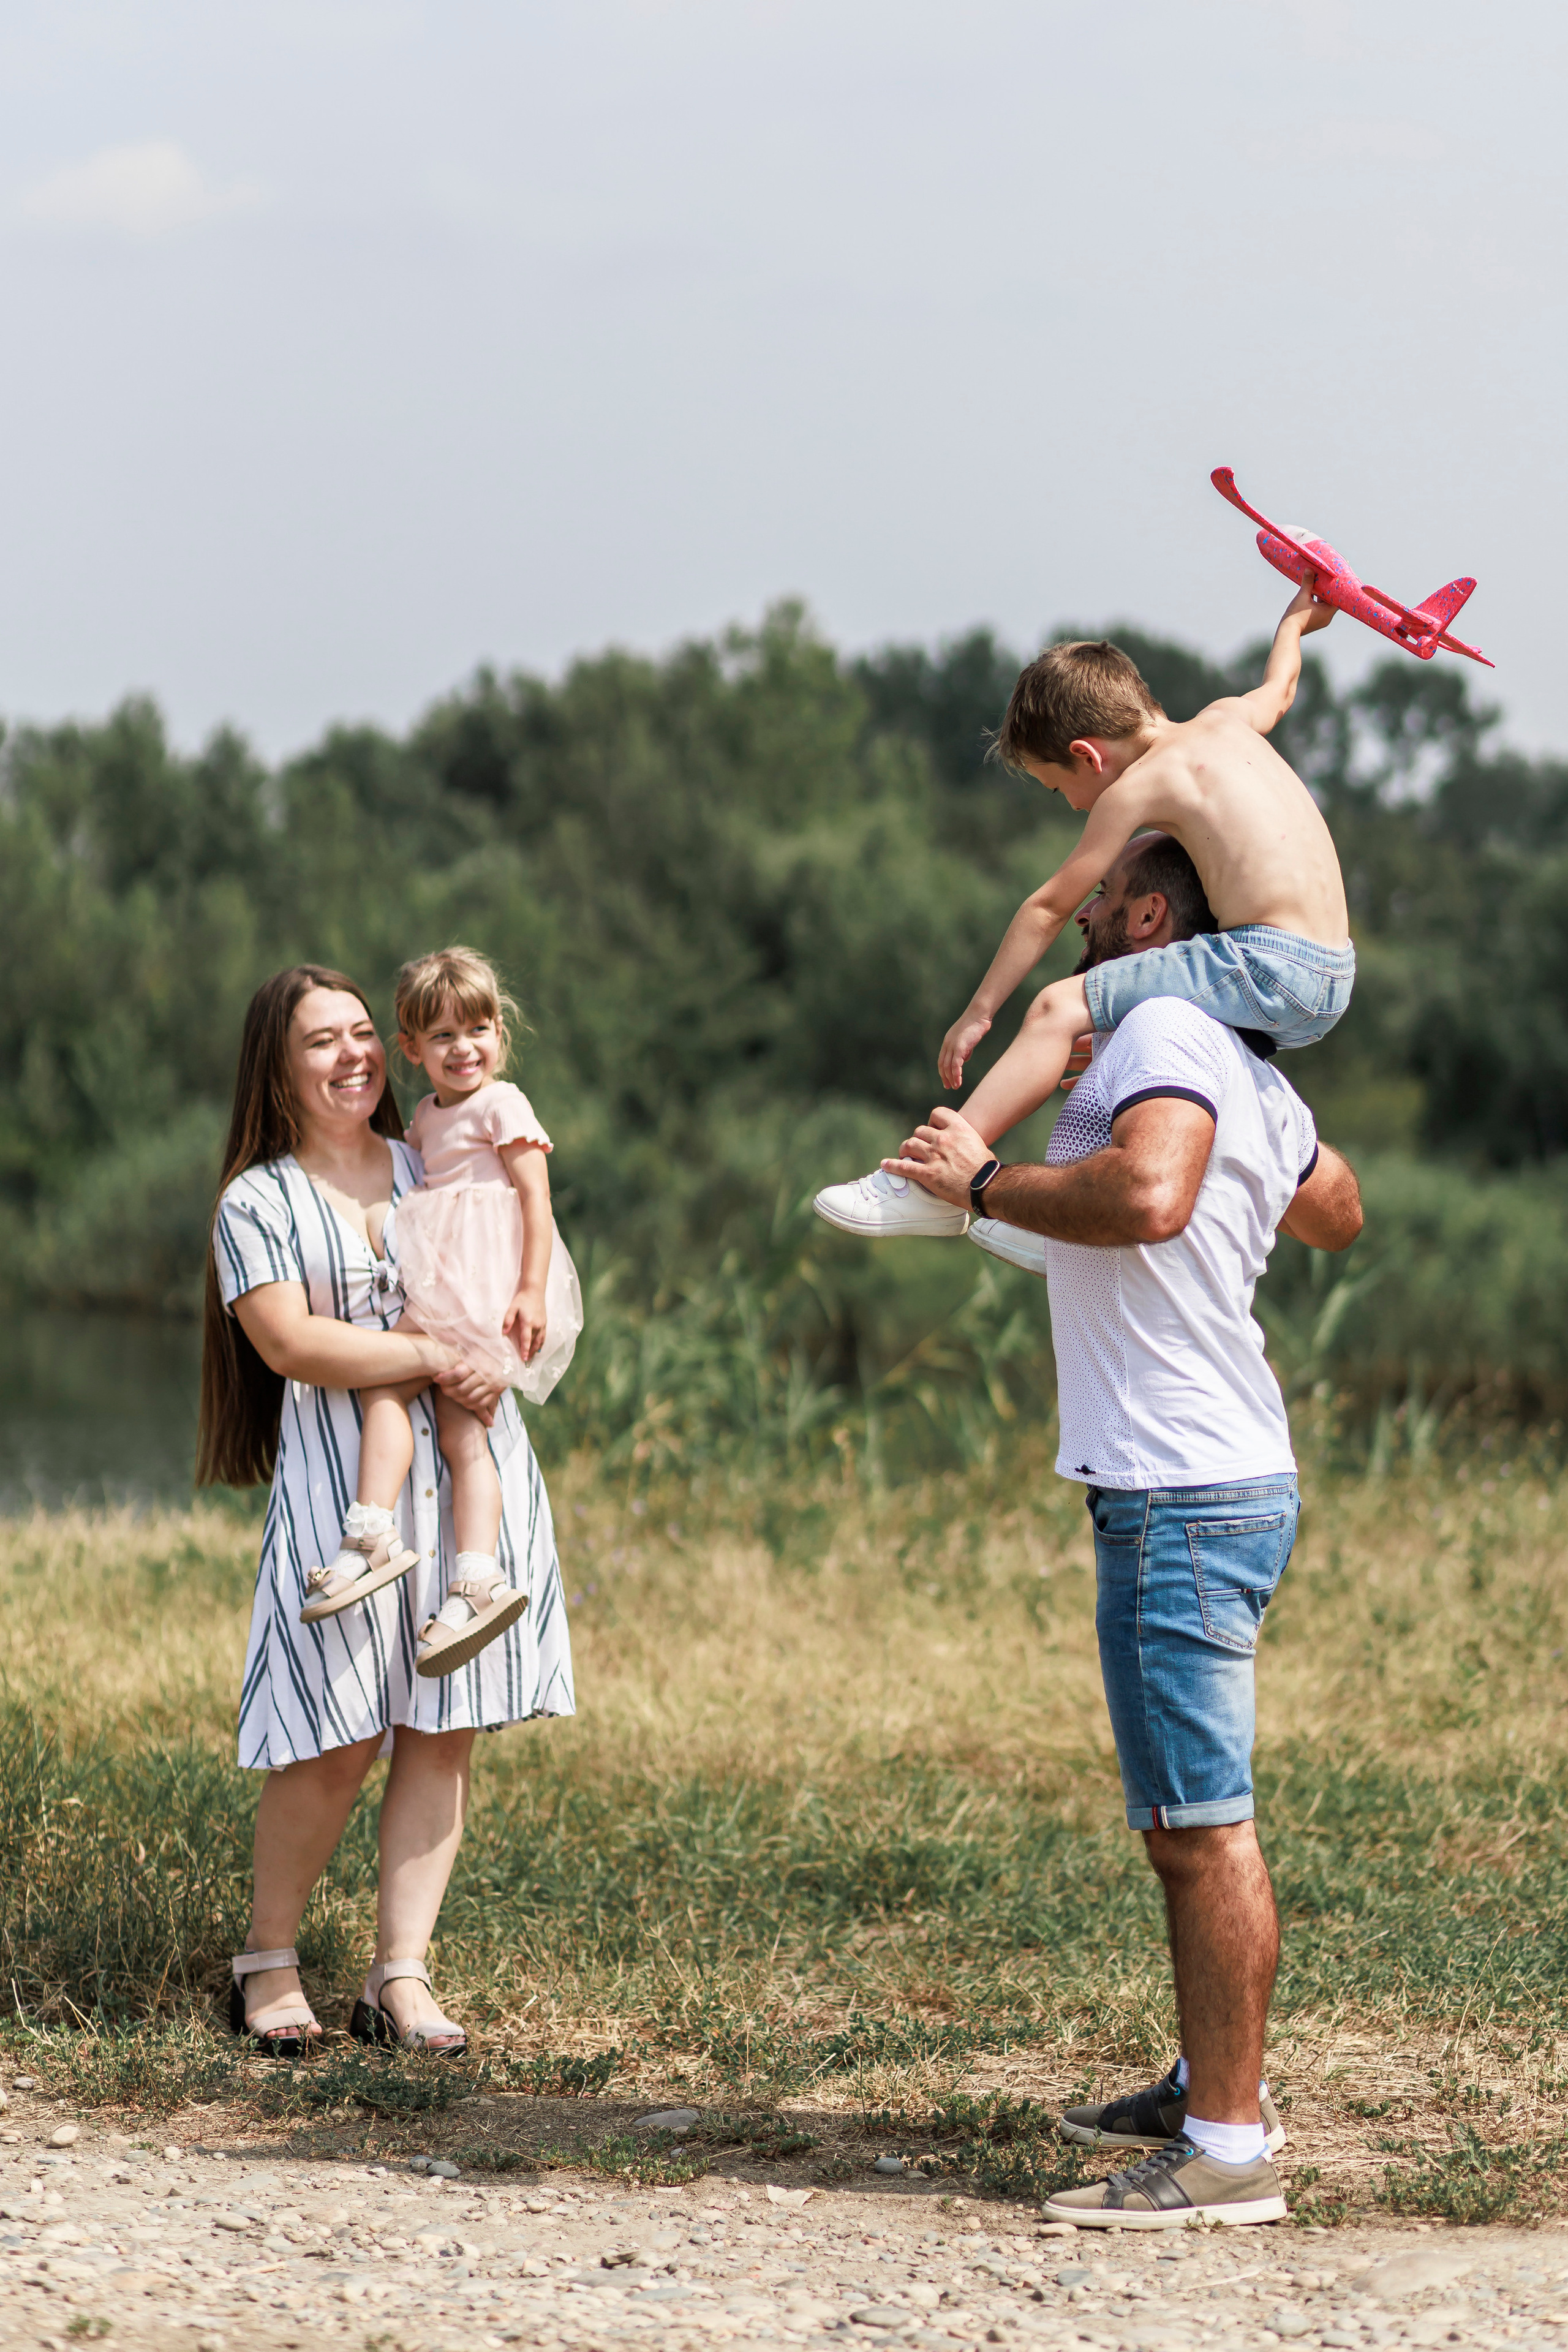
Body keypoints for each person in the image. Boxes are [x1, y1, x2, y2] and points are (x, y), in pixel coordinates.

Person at [884, 835, 1363, 2230]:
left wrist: (980, 1182)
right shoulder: (1230, 1058)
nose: (1077, 917)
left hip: (1177, 1489)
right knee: (1191, 1823)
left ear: (1148, 915)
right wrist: (1244, 1139)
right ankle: (1207, 2083)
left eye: (1094, 899)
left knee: (1199, 1830)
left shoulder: (1156, 1024)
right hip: (1223, 1471)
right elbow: (1336, 1209)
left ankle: (1225, 2149)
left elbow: (1150, 1197)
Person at [197, 964, 574, 2057]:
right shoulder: (258, 1201)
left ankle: (398, 1974)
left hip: (469, 1468)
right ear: (277, 1068)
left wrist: (501, 1352)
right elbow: (291, 1343)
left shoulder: (434, 1153)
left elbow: (522, 1254)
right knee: (337, 1729)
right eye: (323, 1041)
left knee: (444, 1726)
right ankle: (267, 1959)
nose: (354, 1055)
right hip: (343, 1482)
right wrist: (437, 1353)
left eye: (363, 1032)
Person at [812, 589, 1353, 1243]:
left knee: (1055, 1009)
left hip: (1268, 966)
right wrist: (1299, 618)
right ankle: (1065, 1223)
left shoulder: (1139, 784)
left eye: (1058, 787)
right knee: (1098, 1029)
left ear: (1089, 756)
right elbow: (1280, 688)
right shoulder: (1226, 720)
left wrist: (979, 1012)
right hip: (1333, 975)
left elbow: (1048, 906)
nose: (1072, 805)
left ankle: (929, 1187)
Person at [301, 946, 584, 1679]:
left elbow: (536, 1200)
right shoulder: (426, 1117)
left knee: (425, 1412)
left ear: (499, 1033)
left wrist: (528, 1290)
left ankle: (421, 1555)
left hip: (483, 1290)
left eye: (478, 1030)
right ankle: (431, 1559)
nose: (464, 1048)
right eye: (444, 1036)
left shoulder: (503, 1104)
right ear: (412, 1049)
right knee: (428, 1412)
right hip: (440, 1284)